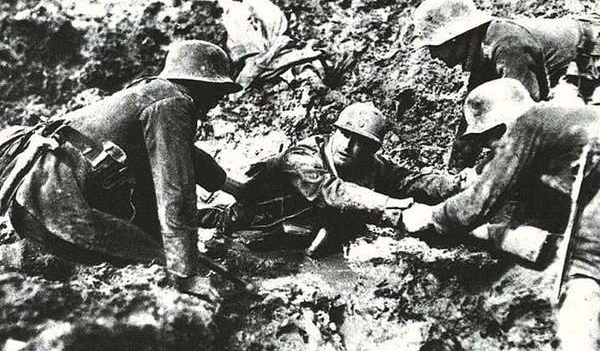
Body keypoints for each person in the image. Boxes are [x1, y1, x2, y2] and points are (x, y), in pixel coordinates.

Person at [0, 40, 242, 298]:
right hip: (55, 212)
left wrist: (236, 188)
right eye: (219, 90)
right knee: (156, 260)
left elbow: (184, 154)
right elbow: (175, 189)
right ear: (201, 83)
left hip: (33, 200)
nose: (219, 100)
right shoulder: (173, 103)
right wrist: (186, 275)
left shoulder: (151, 92)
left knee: (153, 244)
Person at [402, 78, 600, 350]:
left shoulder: (527, 125)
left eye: (488, 140)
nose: (491, 148)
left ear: (501, 124)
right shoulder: (559, 117)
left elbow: (478, 205)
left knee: (583, 278)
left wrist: (431, 217)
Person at [221, 101, 467, 256]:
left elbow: (410, 181)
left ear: (373, 150)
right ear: (334, 131)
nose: (349, 146)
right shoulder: (301, 157)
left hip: (302, 236)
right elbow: (331, 191)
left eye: (361, 142)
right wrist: (397, 212)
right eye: (345, 134)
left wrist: (456, 184)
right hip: (251, 228)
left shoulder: (371, 165)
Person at [412, 0, 600, 170]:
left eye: (434, 47)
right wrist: (455, 174)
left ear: (454, 39)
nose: (433, 56)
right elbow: (472, 118)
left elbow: (525, 122)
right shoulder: (482, 49)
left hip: (592, 56)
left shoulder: (508, 46)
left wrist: (486, 173)